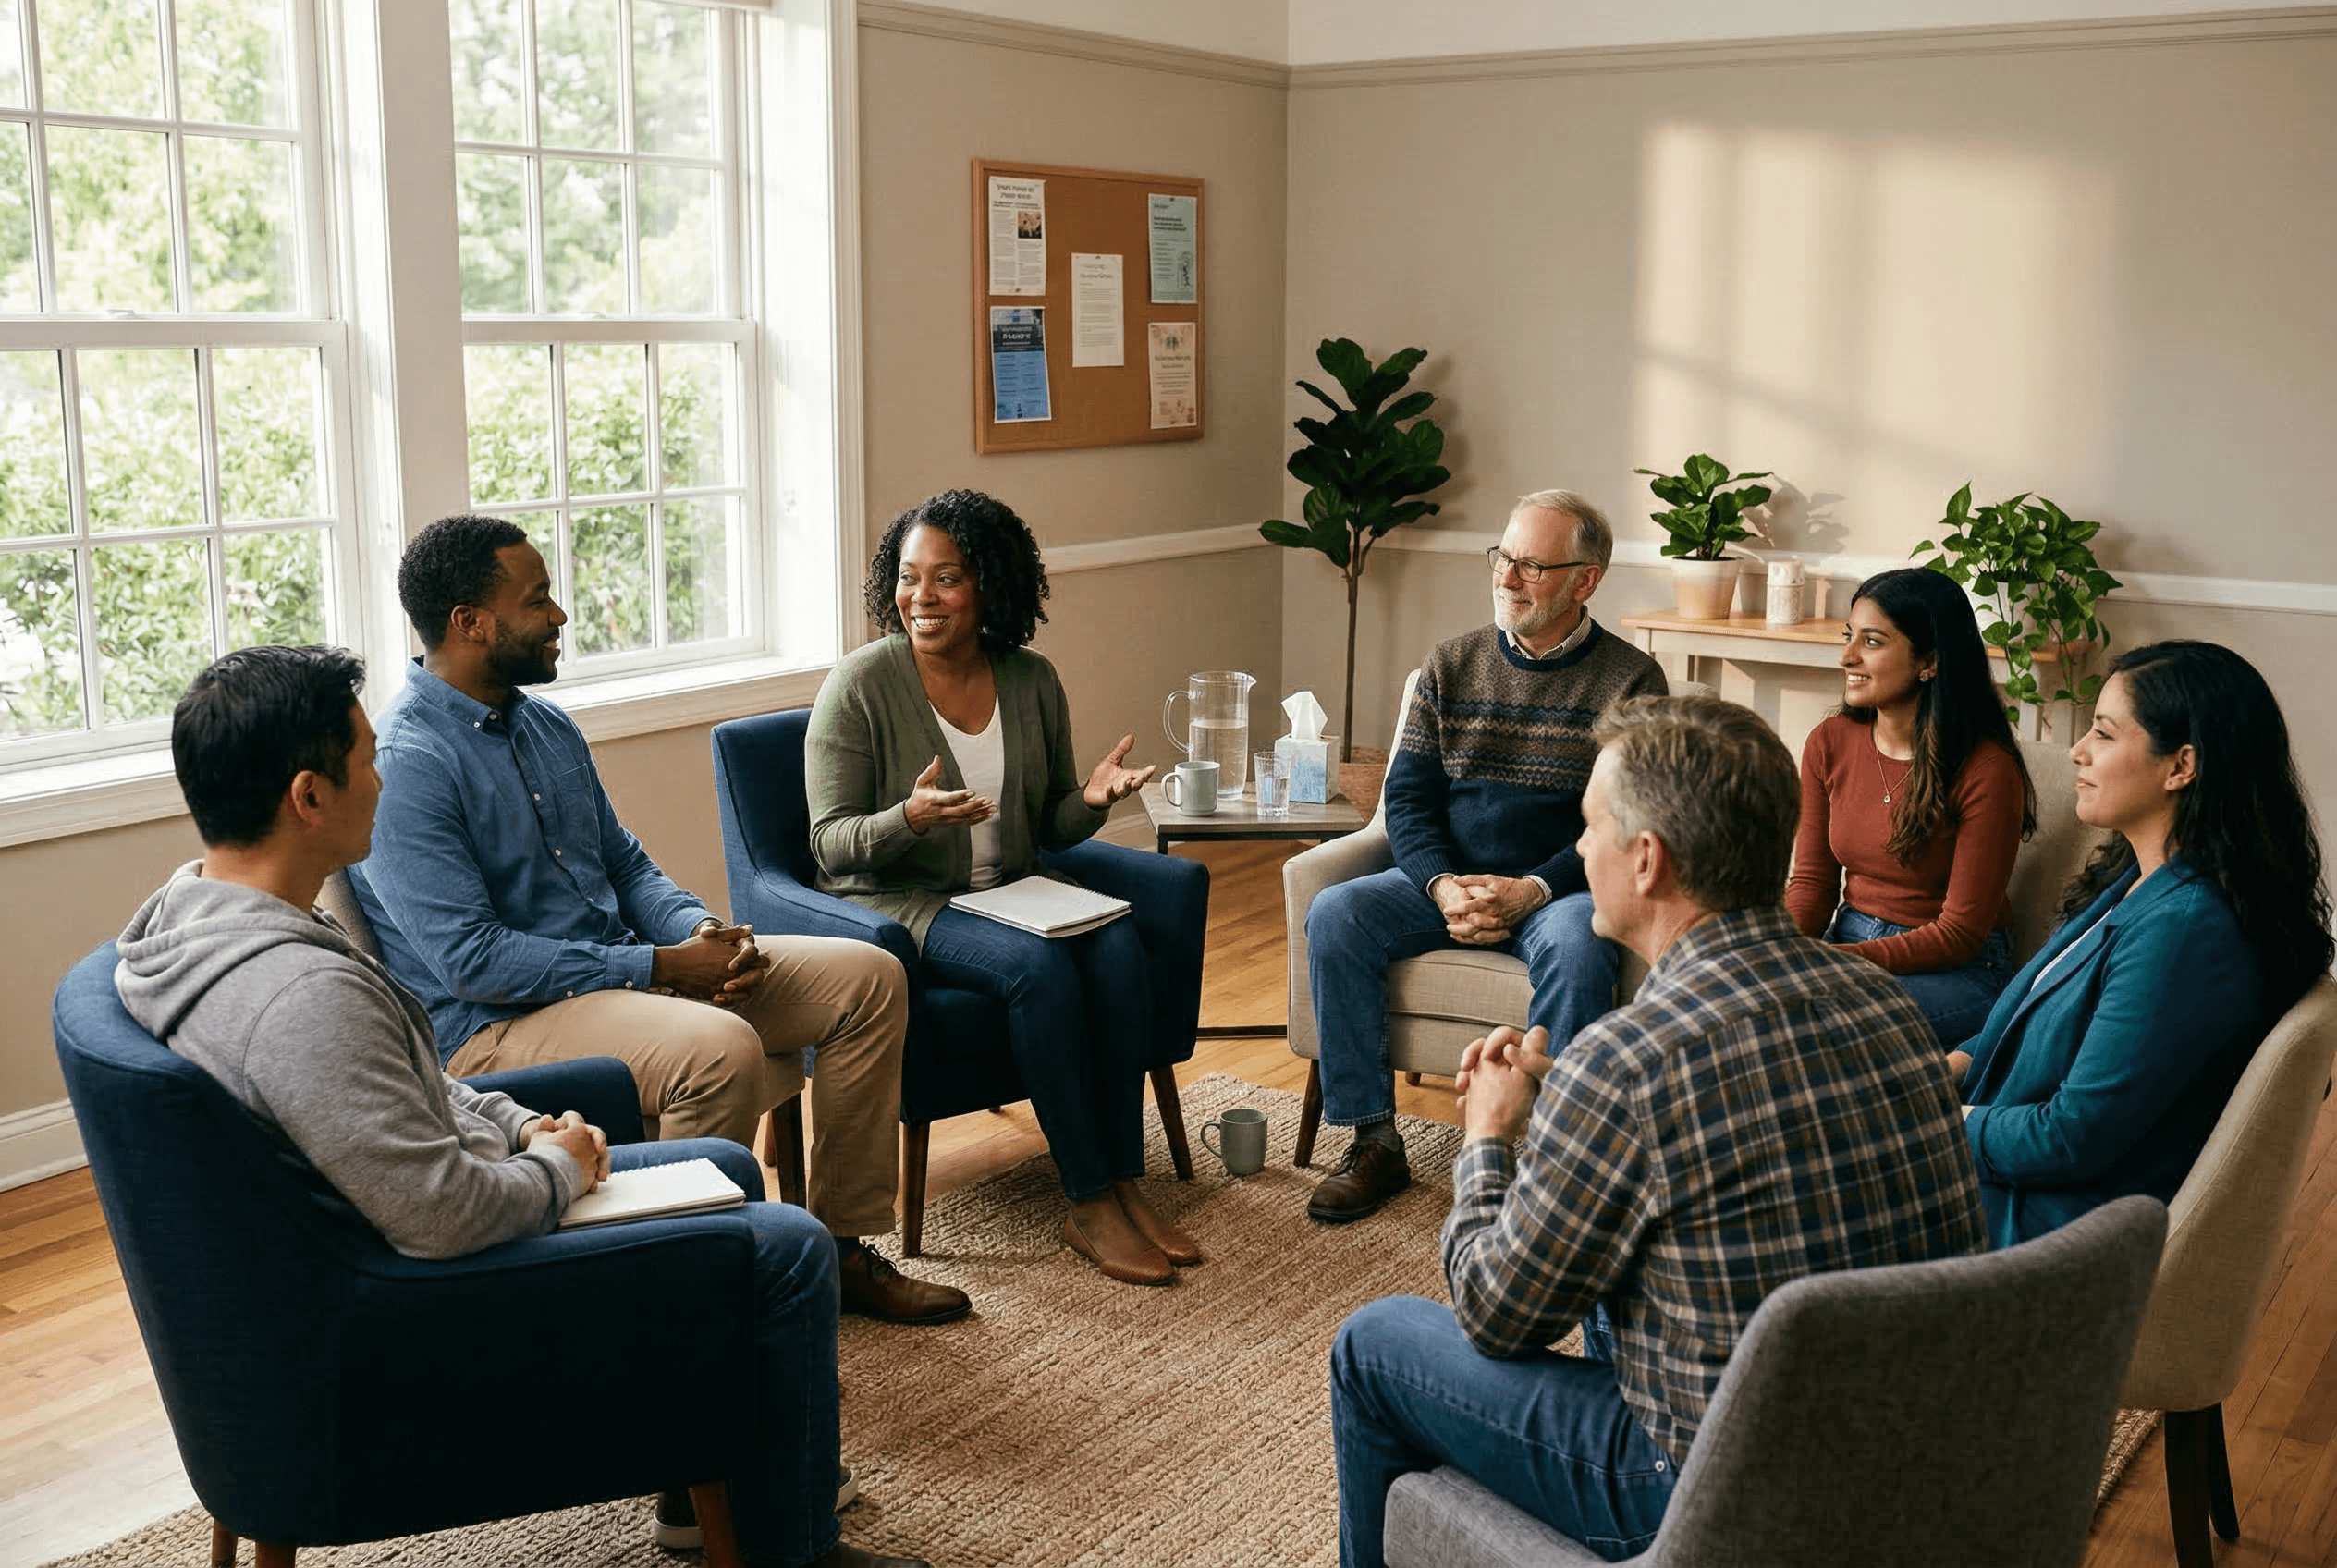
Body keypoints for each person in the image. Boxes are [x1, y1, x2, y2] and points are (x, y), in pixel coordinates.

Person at [115, 644, 924, 1568]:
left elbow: (408, 1079)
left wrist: (517, 1124)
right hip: (422, 1306)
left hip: (406, 1224)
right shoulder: (298, 998)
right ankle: (794, 1547)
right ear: (309, 796)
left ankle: (715, 1497)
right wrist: (557, 1167)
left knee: (734, 1176)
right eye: (363, 759)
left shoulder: (200, 913)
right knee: (781, 1245)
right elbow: (442, 1215)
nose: (378, 778)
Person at [1329, 694, 1988, 1566]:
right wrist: (1571, 1114)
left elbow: (1497, 1317)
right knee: (1619, 1249)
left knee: (1372, 1345)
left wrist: (1490, 1140)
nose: (1581, 848)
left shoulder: (1626, 1063)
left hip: (1713, 1499)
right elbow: (1735, 1125)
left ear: (1647, 860)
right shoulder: (1885, 1003)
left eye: (1589, 826)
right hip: (1905, 1472)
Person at [349, 514, 966, 1327]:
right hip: (495, 1025)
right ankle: (689, 1314)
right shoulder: (409, 763)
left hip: (622, 974)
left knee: (870, 977)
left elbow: (626, 864)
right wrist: (663, 969)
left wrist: (700, 932)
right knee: (718, 1050)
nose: (559, 615)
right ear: (472, 623)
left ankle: (840, 1249)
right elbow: (472, 961)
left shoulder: (544, 724)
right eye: (538, 600)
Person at [804, 489, 1197, 1287]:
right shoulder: (860, 686)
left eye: (946, 579)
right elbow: (831, 846)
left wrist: (1089, 801)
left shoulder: (1030, 679)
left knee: (1119, 946)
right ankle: (1085, 1201)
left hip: (1015, 891)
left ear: (989, 585)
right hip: (905, 906)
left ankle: (1126, 1180)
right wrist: (908, 820)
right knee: (1040, 970)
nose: (921, 597)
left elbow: (1047, 827)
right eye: (909, 578)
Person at [1303, 489, 1668, 1225]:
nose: (1506, 578)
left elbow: (1627, 823)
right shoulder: (1450, 664)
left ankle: (1552, 1163)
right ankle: (1374, 1141)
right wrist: (1441, 887)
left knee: (1577, 950)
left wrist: (1532, 889)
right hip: (1448, 879)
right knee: (1337, 912)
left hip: (1560, 891)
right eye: (1503, 558)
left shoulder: (1632, 681)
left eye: (1531, 567)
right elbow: (1406, 802)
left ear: (1584, 580)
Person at [1952, 641, 2333, 1246]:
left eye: (2103, 734)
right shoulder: (2138, 880)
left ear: (2181, 766)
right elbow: (2037, 1014)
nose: (2077, 750)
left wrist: (1931, 1123)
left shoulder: (2187, 930)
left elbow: (2070, 1138)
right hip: (1996, 1177)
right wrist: (1941, 1069)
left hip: (2033, 1234)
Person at [1785, 567, 2037, 1046]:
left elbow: (1960, 931)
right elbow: (1813, 883)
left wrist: (1836, 964)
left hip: (1956, 971)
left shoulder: (1986, 767)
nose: (1847, 656)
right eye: (1848, 635)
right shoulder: (1829, 743)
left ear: (1930, 661)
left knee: (1810, 1032)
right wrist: (1783, 949)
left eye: (1872, 642)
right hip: (1849, 939)